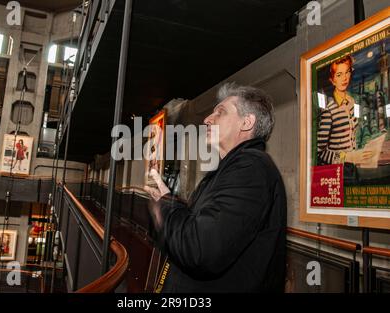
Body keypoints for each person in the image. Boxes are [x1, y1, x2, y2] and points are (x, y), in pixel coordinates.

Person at [145, 82, 287, 293]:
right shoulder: (228, 169)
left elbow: (200, 250)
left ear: (246, 123)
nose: (207, 119)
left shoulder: (251, 169)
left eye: (220, 113)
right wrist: (169, 203)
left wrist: (165, 208)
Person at [317, 55, 373, 165]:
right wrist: (347, 157)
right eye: (339, 75)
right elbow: (320, 151)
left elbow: (357, 131)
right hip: (339, 171)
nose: (345, 78)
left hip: (354, 165)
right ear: (332, 80)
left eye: (347, 72)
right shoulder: (329, 110)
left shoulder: (352, 102)